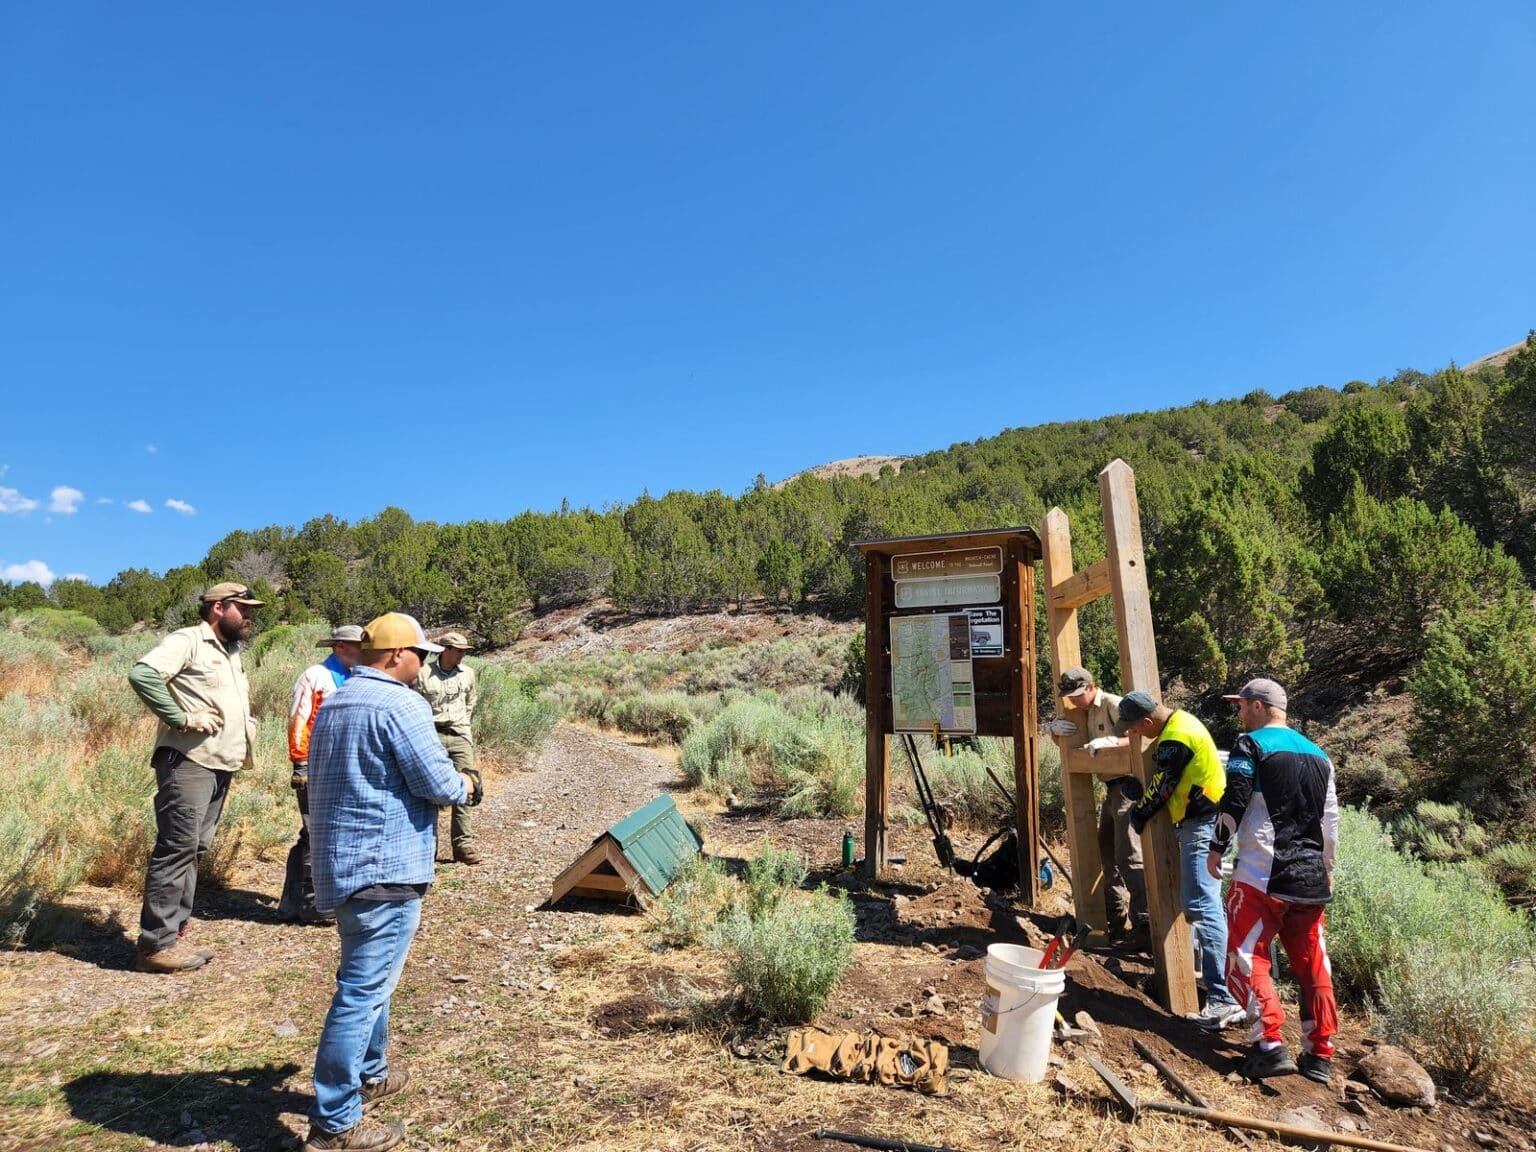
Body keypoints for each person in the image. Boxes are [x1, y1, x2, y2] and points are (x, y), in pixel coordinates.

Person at [303, 612, 480, 1152]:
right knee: (361, 992)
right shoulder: (401, 704)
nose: (423, 664)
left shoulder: (337, 700)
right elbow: (436, 782)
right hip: (386, 866)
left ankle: (372, 1074)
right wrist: (468, 784)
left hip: (341, 866)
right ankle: (334, 1123)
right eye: (419, 655)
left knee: (371, 980)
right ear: (397, 655)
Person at [1207, 678, 1340, 1083]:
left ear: (1260, 707)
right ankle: (1320, 1053)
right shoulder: (1321, 755)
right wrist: (1327, 867)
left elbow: (1236, 797)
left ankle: (1269, 1044)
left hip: (1261, 872)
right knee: (1312, 963)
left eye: (1243, 705)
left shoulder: (1251, 745)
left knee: (1248, 956)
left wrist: (1217, 847)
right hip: (1310, 877)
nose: (1239, 713)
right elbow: (1330, 820)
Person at [126, 581, 263, 973]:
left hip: (219, 762)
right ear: (219, 608)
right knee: (177, 848)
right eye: (244, 608)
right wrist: (183, 718)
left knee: (194, 848)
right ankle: (154, 946)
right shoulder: (188, 640)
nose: (251, 615)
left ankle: (175, 932)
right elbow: (144, 675)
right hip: (189, 760)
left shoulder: (231, 651)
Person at [1115, 690, 1243, 1028]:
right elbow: (1168, 781)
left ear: (1146, 720)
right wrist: (1142, 790)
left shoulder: (1175, 736)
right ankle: (1226, 994)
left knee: (1202, 904)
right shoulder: (1180, 726)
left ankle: (1223, 997)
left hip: (1202, 824)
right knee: (1198, 902)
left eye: (1134, 728)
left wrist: (1139, 812)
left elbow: (1164, 785)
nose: (1134, 734)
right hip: (1199, 821)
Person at [1053, 667, 1148, 947]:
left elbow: (1139, 736)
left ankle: (1143, 924)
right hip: (1111, 788)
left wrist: (1113, 741)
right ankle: (1114, 920)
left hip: (1128, 786)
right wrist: (1053, 732)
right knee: (1106, 853)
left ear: (1091, 687)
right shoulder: (1084, 712)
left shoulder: (1113, 704)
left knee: (1129, 854)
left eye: (1077, 695)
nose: (1073, 701)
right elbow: (1075, 742)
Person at [277, 624, 364, 923]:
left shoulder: (355, 677)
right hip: (314, 764)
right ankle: (314, 903)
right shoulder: (315, 676)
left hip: (342, 765)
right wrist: (300, 762)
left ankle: (293, 903)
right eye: (356, 645)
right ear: (340, 647)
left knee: (315, 834)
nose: (362, 650)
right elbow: (298, 719)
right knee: (317, 832)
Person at [414, 632, 481, 865]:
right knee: (429, 792)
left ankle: (463, 846)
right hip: (432, 735)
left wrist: (464, 723)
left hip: (460, 735)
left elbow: (471, 701)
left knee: (468, 787)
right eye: (458, 650)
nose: (462, 654)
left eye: (464, 650)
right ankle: (427, 849)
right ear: (445, 650)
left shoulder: (469, 674)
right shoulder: (422, 674)